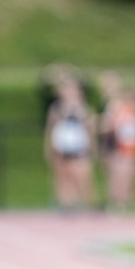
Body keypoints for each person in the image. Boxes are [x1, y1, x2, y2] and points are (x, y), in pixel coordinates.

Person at [45, 76, 96, 211]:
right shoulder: (56, 109)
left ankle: (88, 205)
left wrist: (92, 149)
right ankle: (67, 204)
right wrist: (49, 148)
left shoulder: (85, 109)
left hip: (79, 149)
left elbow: (91, 130)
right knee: (63, 178)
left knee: (82, 177)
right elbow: (50, 130)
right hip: (62, 148)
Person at [98, 71, 135, 211]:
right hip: (113, 144)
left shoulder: (125, 106)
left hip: (124, 144)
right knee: (114, 174)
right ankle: (116, 201)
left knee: (125, 173)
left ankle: (124, 201)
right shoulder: (108, 104)